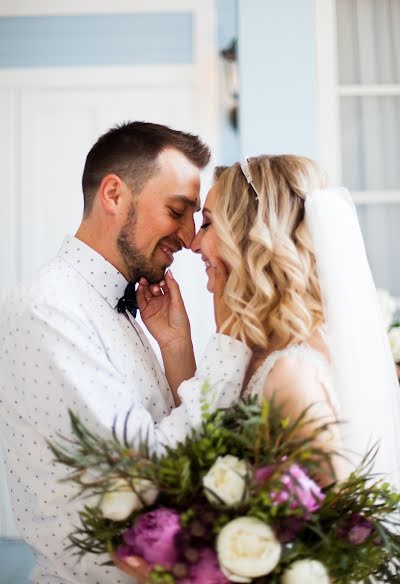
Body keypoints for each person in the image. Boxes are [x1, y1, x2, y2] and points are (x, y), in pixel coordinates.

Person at [117, 153, 400, 582]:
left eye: (208, 223)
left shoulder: (293, 374)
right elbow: (210, 435)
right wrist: (176, 344)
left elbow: (340, 551)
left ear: (250, 236)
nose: (193, 244)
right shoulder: (255, 345)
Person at [0, 122, 252, 584]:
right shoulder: (48, 309)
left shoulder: (115, 303)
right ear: (114, 195)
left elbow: (182, 447)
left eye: (196, 217)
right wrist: (232, 346)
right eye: (177, 210)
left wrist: (176, 348)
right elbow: (150, 467)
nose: (190, 236)